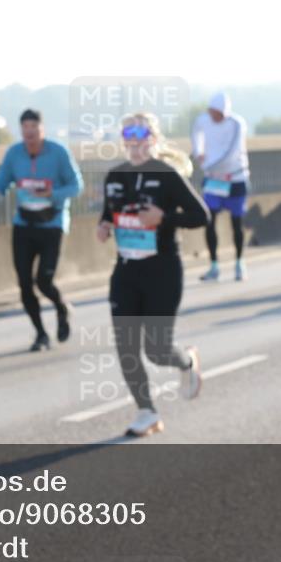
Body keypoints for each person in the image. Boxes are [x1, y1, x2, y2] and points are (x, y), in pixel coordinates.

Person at [97, 113, 208, 437]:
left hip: (163, 270)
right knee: (125, 346)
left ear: (153, 140)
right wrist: (104, 225)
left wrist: (164, 218)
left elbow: (200, 216)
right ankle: (146, 411)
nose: (134, 143)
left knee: (157, 350)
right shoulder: (115, 176)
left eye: (141, 135)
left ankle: (186, 361)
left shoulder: (167, 174)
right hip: (127, 270)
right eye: (128, 135)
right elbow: (110, 212)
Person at [0, 109, 83, 351]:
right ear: (21, 131)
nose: (30, 133)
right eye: (25, 129)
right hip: (24, 224)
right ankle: (41, 334)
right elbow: (3, 179)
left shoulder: (58, 153)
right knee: (24, 282)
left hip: (51, 224)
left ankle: (61, 308)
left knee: (44, 280)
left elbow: (76, 186)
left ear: (42, 129)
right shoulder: (14, 153)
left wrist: (53, 194)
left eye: (34, 128)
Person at [191, 92, 251, 282]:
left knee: (236, 224)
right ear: (210, 110)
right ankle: (214, 265)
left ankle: (239, 262)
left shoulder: (236, 123)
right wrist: (198, 152)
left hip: (234, 178)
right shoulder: (202, 121)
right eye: (215, 113)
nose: (219, 117)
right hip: (214, 181)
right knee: (209, 220)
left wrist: (206, 166)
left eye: (222, 113)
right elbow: (195, 134)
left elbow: (231, 153)